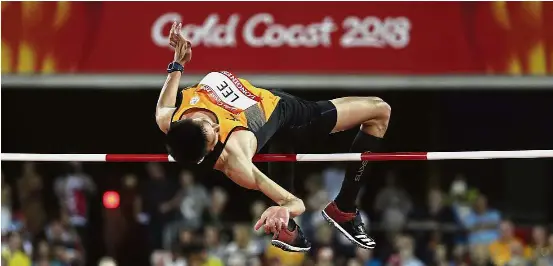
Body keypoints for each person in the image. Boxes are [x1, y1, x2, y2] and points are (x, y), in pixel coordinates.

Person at [156, 22, 390, 252]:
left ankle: (289, 231)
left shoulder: (170, 119)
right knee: (380, 110)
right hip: (293, 117)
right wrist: (283, 208)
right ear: (208, 152)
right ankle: (344, 208)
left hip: (272, 114)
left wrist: (177, 65)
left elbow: (162, 108)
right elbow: (294, 202)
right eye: (214, 140)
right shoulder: (234, 157)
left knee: (281, 146)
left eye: (209, 126)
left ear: (185, 120)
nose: (218, 130)